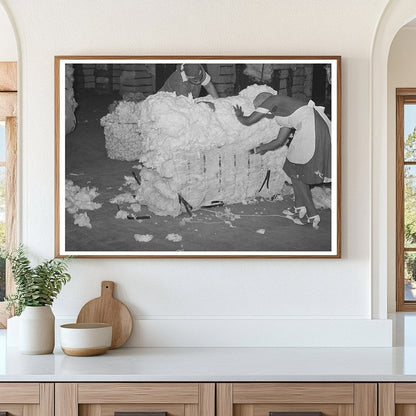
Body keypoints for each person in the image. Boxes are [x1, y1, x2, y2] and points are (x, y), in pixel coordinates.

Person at [233, 92, 331, 230]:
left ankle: (312, 214)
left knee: (299, 174)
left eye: (261, 108)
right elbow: (279, 141)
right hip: (311, 129)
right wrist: (259, 149)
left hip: (313, 130)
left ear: (266, 103)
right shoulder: (283, 114)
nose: (266, 115)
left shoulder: (275, 99)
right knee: (292, 168)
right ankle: (299, 208)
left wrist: (239, 116)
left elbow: (249, 120)